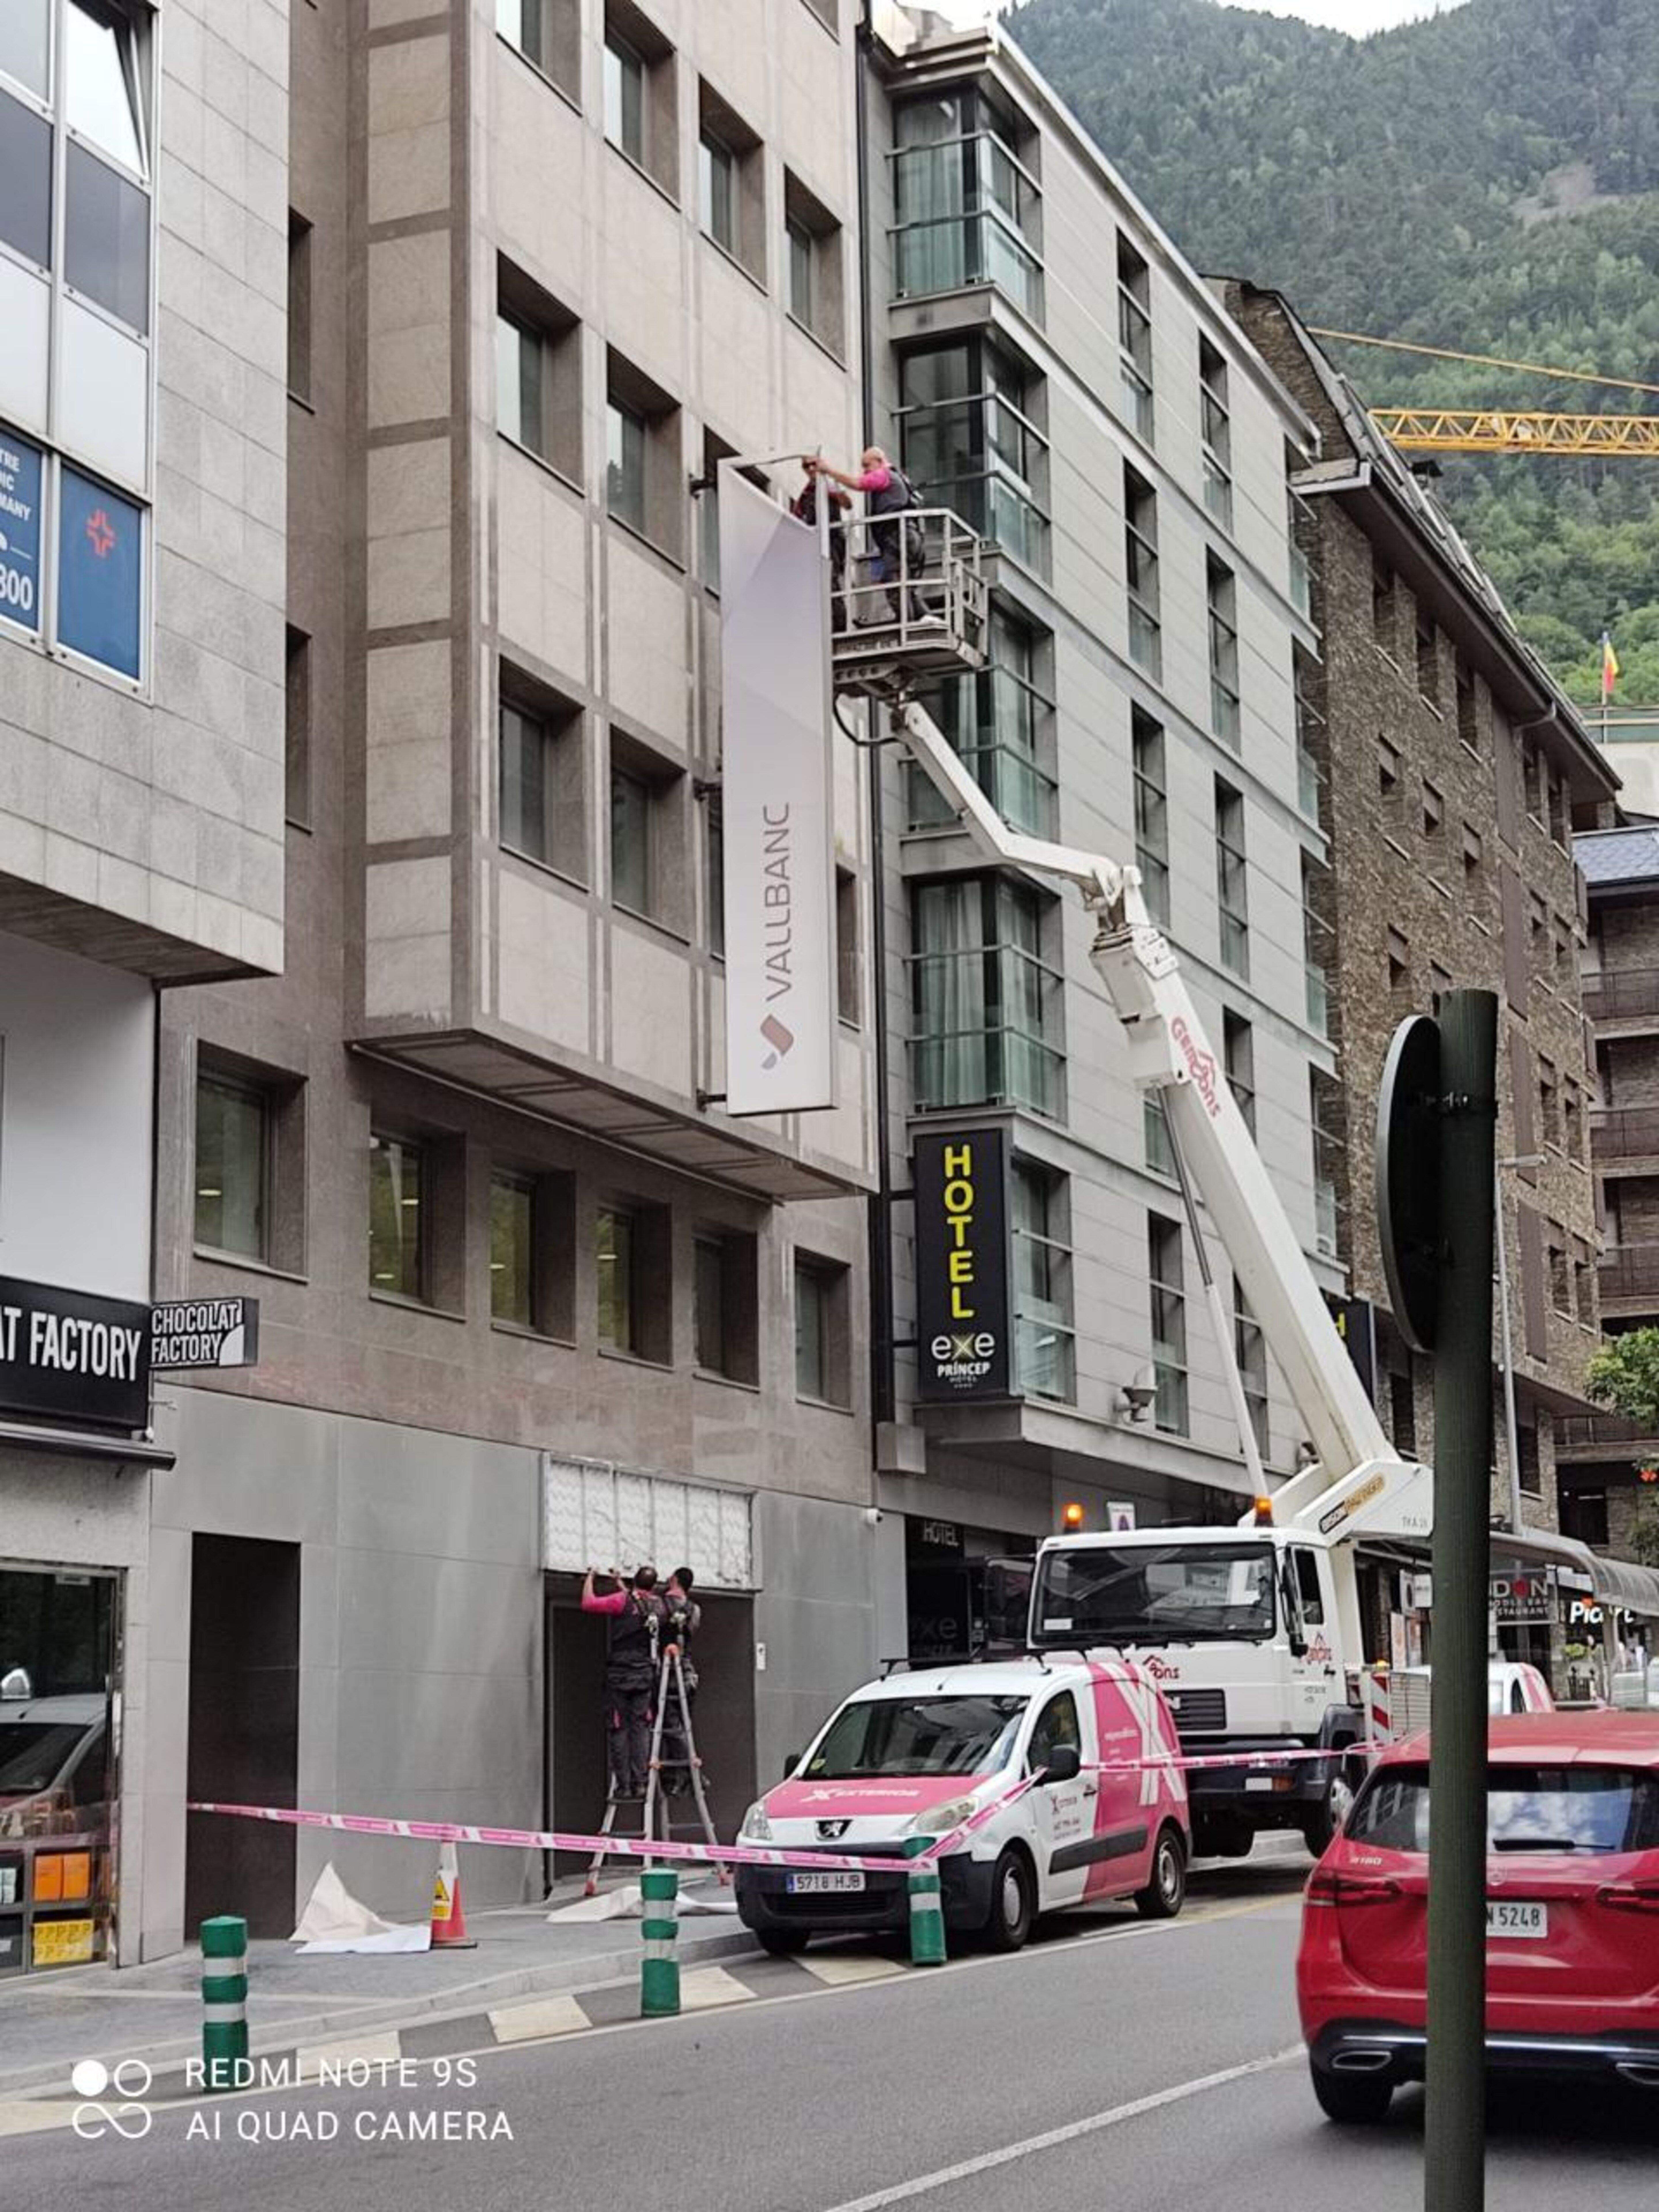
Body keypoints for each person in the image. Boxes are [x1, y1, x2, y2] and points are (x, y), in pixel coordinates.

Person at [806, 447, 925, 620]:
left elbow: (859, 484)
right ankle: (923, 618)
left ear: (879, 461)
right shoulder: (898, 478)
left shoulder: (884, 475)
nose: (865, 471)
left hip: (898, 536)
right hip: (908, 537)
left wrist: (829, 471)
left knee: (895, 582)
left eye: (867, 465)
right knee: (905, 586)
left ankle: (907, 624)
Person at [581, 1565, 665, 1800]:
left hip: (620, 1674)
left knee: (619, 1728)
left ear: (635, 1581)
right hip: (645, 1674)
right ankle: (641, 1783)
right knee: (641, 1728)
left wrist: (590, 1577)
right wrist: (620, 1584)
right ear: (654, 1585)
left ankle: (624, 1786)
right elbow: (637, 1603)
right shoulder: (659, 1606)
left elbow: (589, 1603)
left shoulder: (622, 1601)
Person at [658, 1568, 701, 1797]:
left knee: (671, 1727)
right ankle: (678, 1778)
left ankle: (692, 1773)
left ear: (674, 1580)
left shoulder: (662, 1605)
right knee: (682, 1728)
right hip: (688, 1673)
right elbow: (690, 1632)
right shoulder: (695, 1610)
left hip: (669, 1673)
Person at [791, 465, 852, 626]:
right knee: (821, 583)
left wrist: (833, 492)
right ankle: (828, 623)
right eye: (806, 467)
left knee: (830, 581)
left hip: (833, 540)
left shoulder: (828, 485)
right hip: (815, 543)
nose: (811, 469)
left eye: (813, 465)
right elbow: (796, 517)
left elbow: (848, 504)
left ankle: (839, 625)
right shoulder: (806, 493)